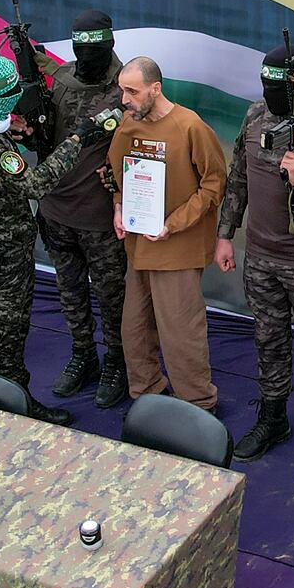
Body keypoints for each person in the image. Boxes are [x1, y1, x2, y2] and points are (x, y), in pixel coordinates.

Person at [0, 53, 119, 424]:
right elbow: (35, 183)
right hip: (1, 256)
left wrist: (10, 129)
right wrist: (78, 139)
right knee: (5, 329)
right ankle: (9, 404)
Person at [218, 41, 294, 481]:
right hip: (261, 258)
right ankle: (274, 417)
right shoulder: (255, 116)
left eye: (278, 86)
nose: (269, 93)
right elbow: (238, 179)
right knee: (268, 342)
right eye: (265, 83)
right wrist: (224, 234)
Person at [107, 56, 227, 411]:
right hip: (139, 246)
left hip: (177, 248)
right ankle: (147, 397)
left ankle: (198, 406)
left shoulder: (191, 127)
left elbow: (214, 186)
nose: (124, 99)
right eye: (122, 90)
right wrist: (118, 207)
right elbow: (118, 176)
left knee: (180, 335)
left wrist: (171, 224)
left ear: (155, 89)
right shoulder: (128, 126)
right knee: (134, 330)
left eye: (133, 91)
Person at [41, 11, 130, 408]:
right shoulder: (61, 79)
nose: (85, 56)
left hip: (101, 217)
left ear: (109, 44)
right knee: (70, 291)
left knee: (112, 296)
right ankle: (83, 355)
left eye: (93, 48)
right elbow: (49, 136)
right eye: (79, 48)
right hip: (58, 210)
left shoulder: (128, 86)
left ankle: (117, 361)